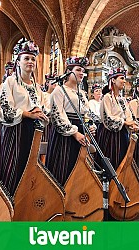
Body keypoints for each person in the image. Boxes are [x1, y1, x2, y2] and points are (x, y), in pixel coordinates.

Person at [0, 40, 49, 195]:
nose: (30, 61)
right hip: (14, 131)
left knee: (29, 168)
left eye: (33, 59)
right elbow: (5, 109)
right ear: (18, 62)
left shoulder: (36, 87)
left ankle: (24, 205)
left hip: (32, 131)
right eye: (26, 58)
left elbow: (43, 107)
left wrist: (41, 113)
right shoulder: (10, 81)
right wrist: (27, 113)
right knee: (12, 169)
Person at [45, 56, 96, 185]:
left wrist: (90, 126)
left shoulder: (82, 93)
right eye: (78, 69)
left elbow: (87, 113)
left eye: (83, 71)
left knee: (79, 170)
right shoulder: (59, 90)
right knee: (64, 168)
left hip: (81, 133)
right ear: (69, 72)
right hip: (65, 136)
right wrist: (74, 133)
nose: (81, 73)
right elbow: (57, 116)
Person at [95, 67, 139, 170]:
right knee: (111, 162)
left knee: (122, 161)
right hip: (110, 135)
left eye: (124, 78)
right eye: (121, 78)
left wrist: (132, 124)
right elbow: (108, 118)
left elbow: (129, 115)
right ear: (113, 80)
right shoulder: (107, 97)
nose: (124, 81)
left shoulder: (123, 100)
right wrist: (125, 122)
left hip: (122, 134)